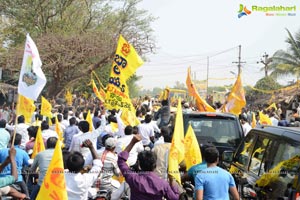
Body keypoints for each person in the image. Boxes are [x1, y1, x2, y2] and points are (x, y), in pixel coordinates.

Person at [118, 134, 180, 200]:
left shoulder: (133, 178)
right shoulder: (163, 184)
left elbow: (121, 160)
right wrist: (172, 181)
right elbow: (175, 198)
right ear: (155, 165)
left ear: (139, 166)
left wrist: (132, 142)